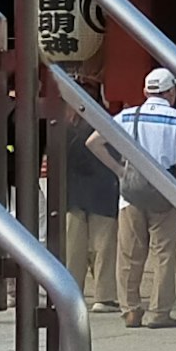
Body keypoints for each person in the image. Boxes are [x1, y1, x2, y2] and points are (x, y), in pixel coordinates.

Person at [109, 69, 176, 330]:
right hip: (165, 190)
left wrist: (119, 170)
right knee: (164, 253)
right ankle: (159, 313)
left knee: (129, 254)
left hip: (131, 194)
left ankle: (130, 310)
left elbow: (95, 141)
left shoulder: (127, 115)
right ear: (170, 92)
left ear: (145, 91)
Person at [55, 91, 120, 314]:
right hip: (101, 192)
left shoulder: (61, 129)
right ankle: (105, 296)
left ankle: (72, 294)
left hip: (72, 193)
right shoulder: (105, 126)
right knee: (103, 247)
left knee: (74, 248)